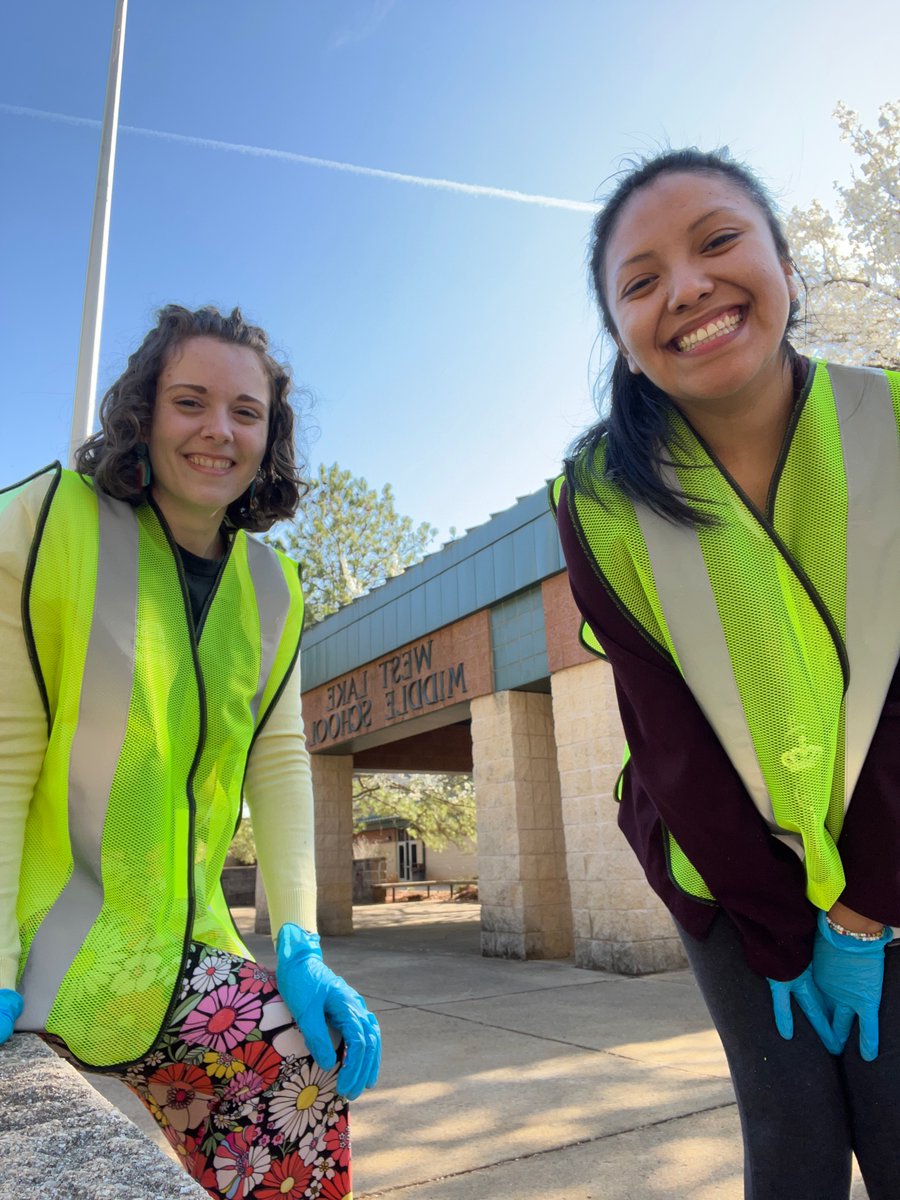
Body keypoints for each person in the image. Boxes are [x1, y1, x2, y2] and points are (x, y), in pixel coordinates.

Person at [552, 150, 900, 1199]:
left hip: (892, 848)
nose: (687, 288)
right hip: (724, 871)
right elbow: (667, 736)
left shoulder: (888, 419)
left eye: (716, 242)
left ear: (785, 263)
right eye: (641, 280)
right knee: (791, 1142)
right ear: (621, 333)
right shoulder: (597, 499)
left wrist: (866, 907)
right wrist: (783, 932)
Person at [0, 304, 381, 1199]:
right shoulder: (42, 523)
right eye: (190, 402)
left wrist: (298, 937)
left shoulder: (271, 584)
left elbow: (280, 758)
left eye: (246, 413)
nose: (219, 431)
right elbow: (4, 758)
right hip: (35, 946)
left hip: (177, 948)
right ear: (142, 413)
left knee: (300, 1076)